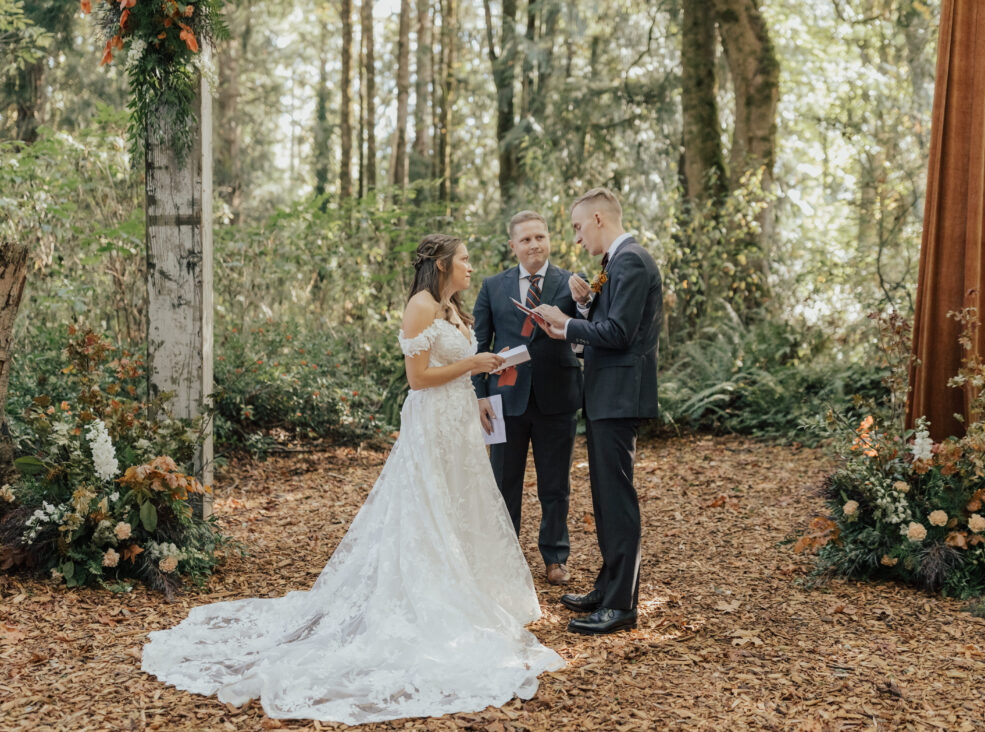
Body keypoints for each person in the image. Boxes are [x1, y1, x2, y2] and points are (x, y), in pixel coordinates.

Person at [141, 234, 564, 724]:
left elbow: (454, 372)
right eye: (465, 260)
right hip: (432, 425)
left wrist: (479, 389)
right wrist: (474, 363)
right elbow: (418, 379)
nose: (471, 266)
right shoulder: (421, 306)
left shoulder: (452, 308)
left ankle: (473, 590)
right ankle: (428, 597)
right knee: (429, 509)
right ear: (442, 264)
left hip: (460, 423)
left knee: (461, 508)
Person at [533, 188, 662, 636]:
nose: (576, 237)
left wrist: (566, 321)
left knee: (617, 500)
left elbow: (620, 333)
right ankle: (609, 588)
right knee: (606, 499)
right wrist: (584, 309)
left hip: (620, 395)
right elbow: (608, 327)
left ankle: (622, 605)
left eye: (577, 226)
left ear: (599, 219)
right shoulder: (616, 263)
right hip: (608, 394)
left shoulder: (631, 261)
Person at [472, 210, 582, 586]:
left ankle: (555, 557)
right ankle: (506, 557)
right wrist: (479, 396)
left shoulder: (572, 283)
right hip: (504, 400)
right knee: (504, 483)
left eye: (540, 237)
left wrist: (584, 305)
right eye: (526, 239)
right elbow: (479, 344)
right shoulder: (492, 286)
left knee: (556, 485)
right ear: (513, 246)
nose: (534, 244)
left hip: (558, 397)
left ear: (549, 239)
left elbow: (586, 332)